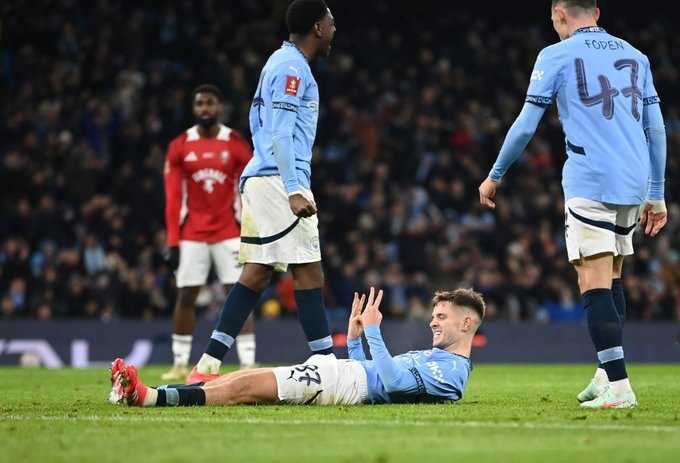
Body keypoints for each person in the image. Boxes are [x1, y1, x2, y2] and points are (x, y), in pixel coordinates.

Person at [478, 0, 667, 409]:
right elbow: (655, 126)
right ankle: (604, 372)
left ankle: (619, 387)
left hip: (592, 179)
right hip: (634, 182)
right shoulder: (636, 55)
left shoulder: (556, 54)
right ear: (596, 12)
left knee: (592, 280)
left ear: (560, 15)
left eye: (554, 20)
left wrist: (495, 174)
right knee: (613, 274)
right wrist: (658, 191)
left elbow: (527, 123)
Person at [185, 0, 337, 384]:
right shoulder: (291, 68)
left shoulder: (280, 62)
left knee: (257, 273)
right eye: (331, 23)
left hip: (264, 176)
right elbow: (282, 133)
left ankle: (207, 365)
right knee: (307, 269)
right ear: (317, 28)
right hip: (279, 179)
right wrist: (293, 190)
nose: (335, 29)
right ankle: (327, 363)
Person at [108, 287, 484, 407]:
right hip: (343, 374)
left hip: (341, 386)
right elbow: (382, 378)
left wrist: (373, 333)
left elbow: (395, 383)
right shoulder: (437, 358)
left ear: (467, 323)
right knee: (241, 378)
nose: (433, 321)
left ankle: (146, 397)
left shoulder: (451, 373)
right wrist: (355, 340)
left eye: (442, 316)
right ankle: (150, 393)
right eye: (434, 315)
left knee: (242, 389)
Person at [162, 84, 256, 380]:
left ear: (220, 107)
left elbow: (251, 187)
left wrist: (250, 230)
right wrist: (173, 241)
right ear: (194, 108)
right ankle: (179, 363)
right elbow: (174, 198)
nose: (204, 108)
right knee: (186, 295)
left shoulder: (235, 143)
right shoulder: (180, 146)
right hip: (192, 234)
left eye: (210, 103)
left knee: (239, 294)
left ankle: (248, 362)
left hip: (229, 231)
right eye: (199, 103)